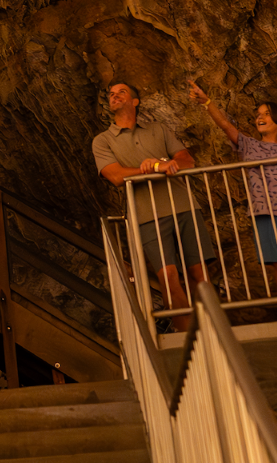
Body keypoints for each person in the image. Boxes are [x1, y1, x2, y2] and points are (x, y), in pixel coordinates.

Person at [189, 81, 277, 319]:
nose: (260, 117)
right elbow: (225, 125)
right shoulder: (249, 145)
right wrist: (206, 101)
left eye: (266, 114)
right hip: (263, 214)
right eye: (258, 114)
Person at [93, 81, 218, 331]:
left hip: (183, 205)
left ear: (135, 102)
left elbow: (186, 160)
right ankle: (189, 340)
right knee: (168, 278)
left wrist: (161, 162)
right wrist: (157, 167)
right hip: (146, 215)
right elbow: (115, 175)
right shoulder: (103, 140)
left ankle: (214, 332)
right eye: (111, 94)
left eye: (121, 93)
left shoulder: (158, 130)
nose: (114, 96)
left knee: (199, 274)